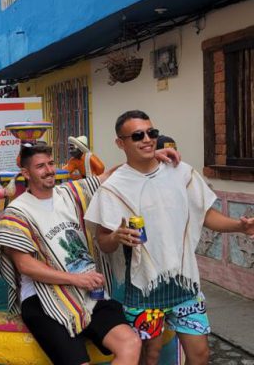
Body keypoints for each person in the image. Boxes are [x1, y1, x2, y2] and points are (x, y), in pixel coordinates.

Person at [84, 110, 254, 365]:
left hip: (185, 283)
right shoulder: (114, 188)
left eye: (151, 133)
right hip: (144, 287)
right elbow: (103, 242)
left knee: (200, 355)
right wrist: (117, 236)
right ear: (121, 143)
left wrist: (239, 227)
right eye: (137, 135)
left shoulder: (181, 173)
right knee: (149, 357)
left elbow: (205, 214)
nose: (147, 139)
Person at [0, 142, 144, 365]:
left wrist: (153, 152)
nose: (49, 170)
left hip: (89, 291)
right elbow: (25, 266)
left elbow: (112, 175)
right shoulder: (17, 212)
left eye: (50, 163)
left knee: (130, 343)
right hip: (44, 299)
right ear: (26, 173)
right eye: (40, 166)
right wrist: (77, 279)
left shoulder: (70, 194)